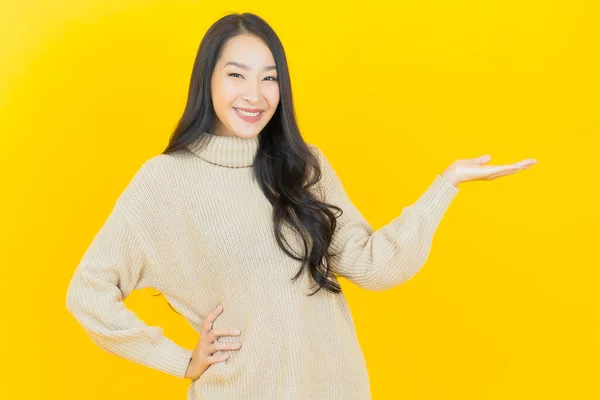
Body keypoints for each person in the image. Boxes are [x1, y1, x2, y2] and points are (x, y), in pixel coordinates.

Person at [65, 12, 537, 400]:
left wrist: (445, 186)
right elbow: (87, 293)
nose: (255, 95)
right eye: (236, 76)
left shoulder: (304, 166)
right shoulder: (164, 182)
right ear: (206, 79)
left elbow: (376, 267)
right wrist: (181, 360)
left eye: (269, 78)